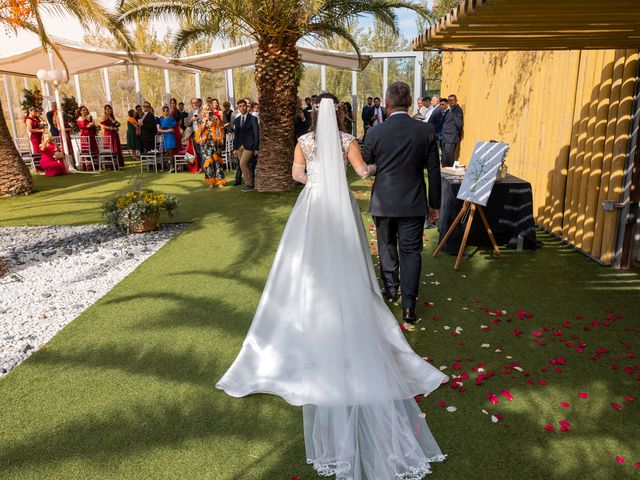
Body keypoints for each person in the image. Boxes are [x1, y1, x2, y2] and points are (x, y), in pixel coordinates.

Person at [216, 94, 448, 480]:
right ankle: (349, 306)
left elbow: (296, 176)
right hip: (339, 205)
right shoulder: (346, 140)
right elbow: (363, 173)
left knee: (303, 262)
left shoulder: (304, 143)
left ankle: (309, 313)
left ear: (311, 116)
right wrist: (371, 166)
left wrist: (317, 180)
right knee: (348, 258)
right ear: (339, 114)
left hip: (312, 204)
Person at [361, 81, 441, 324]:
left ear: (386, 105)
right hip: (414, 202)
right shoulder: (425, 131)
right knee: (411, 252)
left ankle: (392, 289)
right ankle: (409, 306)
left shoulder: (374, 133)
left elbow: (366, 166)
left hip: (384, 202)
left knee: (386, 245)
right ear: (408, 103)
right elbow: (434, 171)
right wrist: (434, 204)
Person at [195, 104, 226, 188]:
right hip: (205, 144)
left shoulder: (215, 119)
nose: (208, 111)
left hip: (215, 143)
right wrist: (205, 122)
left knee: (217, 162)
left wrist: (216, 122)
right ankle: (212, 181)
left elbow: (219, 130)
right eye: (206, 110)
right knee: (208, 163)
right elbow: (200, 132)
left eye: (209, 110)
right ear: (203, 111)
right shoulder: (200, 120)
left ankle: (220, 181)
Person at [232, 99, 259, 191]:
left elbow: (256, 133)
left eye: (244, 106)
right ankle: (251, 182)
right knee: (243, 165)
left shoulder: (253, 118)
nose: (242, 108)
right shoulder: (237, 119)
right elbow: (236, 135)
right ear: (238, 108)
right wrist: (235, 148)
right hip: (240, 146)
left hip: (250, 146)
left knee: (243, 163)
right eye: (240, 106)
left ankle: (249, 184)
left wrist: (256, 148)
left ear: (247, 107)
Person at [441, 94, 464, 167]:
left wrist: (457, 134)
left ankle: (450, 173)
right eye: (449, 100)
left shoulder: (457, 110)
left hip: (451, 137)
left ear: (456, 101)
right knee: (444, 157)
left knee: (449, 157)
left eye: (452, 100)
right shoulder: (449, 110)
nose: (450, 102)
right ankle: (444, 173)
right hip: (445, 137)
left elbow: (459, 124)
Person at [158, 105, 178, 170]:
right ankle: (171, 167)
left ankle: (172, 167)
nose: (166, 112)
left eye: (167, 110)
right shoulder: (162, 120)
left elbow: (171, 130)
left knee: (171, 153)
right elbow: (160, 129)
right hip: (165, 138)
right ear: (162, 112)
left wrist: (162, 131)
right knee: (168, 153)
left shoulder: (171, 119)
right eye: (164, 110)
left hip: (170, 137)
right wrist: (159, 130)